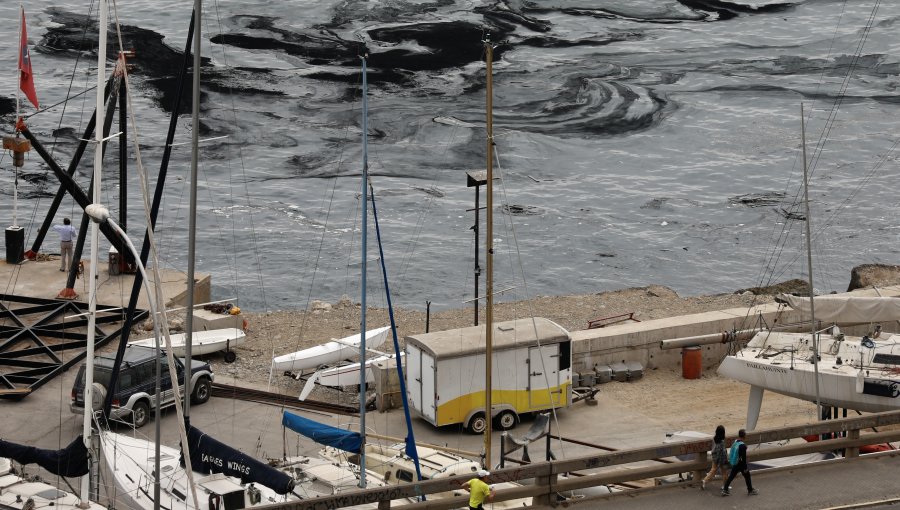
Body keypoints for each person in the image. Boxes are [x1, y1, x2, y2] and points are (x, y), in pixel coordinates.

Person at [722, 428, 758, 496]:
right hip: (741, 464)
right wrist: (745, 468)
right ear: (744, 436)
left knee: (731, 476)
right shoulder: (742, 446)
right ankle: (750, 490)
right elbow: (743, 458)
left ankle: (725, 489)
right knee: (747, 476)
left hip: (735, 462)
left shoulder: (736, 442)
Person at [700, 424, 727, 490]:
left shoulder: (714, 438)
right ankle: (725, 486)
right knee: (724, 472)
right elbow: (722, 452)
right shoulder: (722, 442)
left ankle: (705, 480)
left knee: (713, 470)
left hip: (714, 457)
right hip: (721, 459)